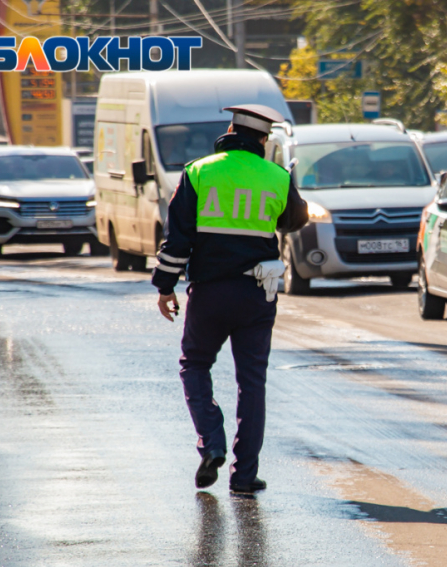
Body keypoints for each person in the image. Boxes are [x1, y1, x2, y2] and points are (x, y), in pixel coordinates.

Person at [152, 104, 309, 493]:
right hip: (257, 294)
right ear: (263, 139)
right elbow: (294, 220)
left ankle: (211, 442)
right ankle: (243, 476)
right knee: (252, 383)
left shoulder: (199, 172)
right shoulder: (276, 176)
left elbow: (178, 239)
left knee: (194, 365)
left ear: (229, 129)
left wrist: (165, 285)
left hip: (208, 293)